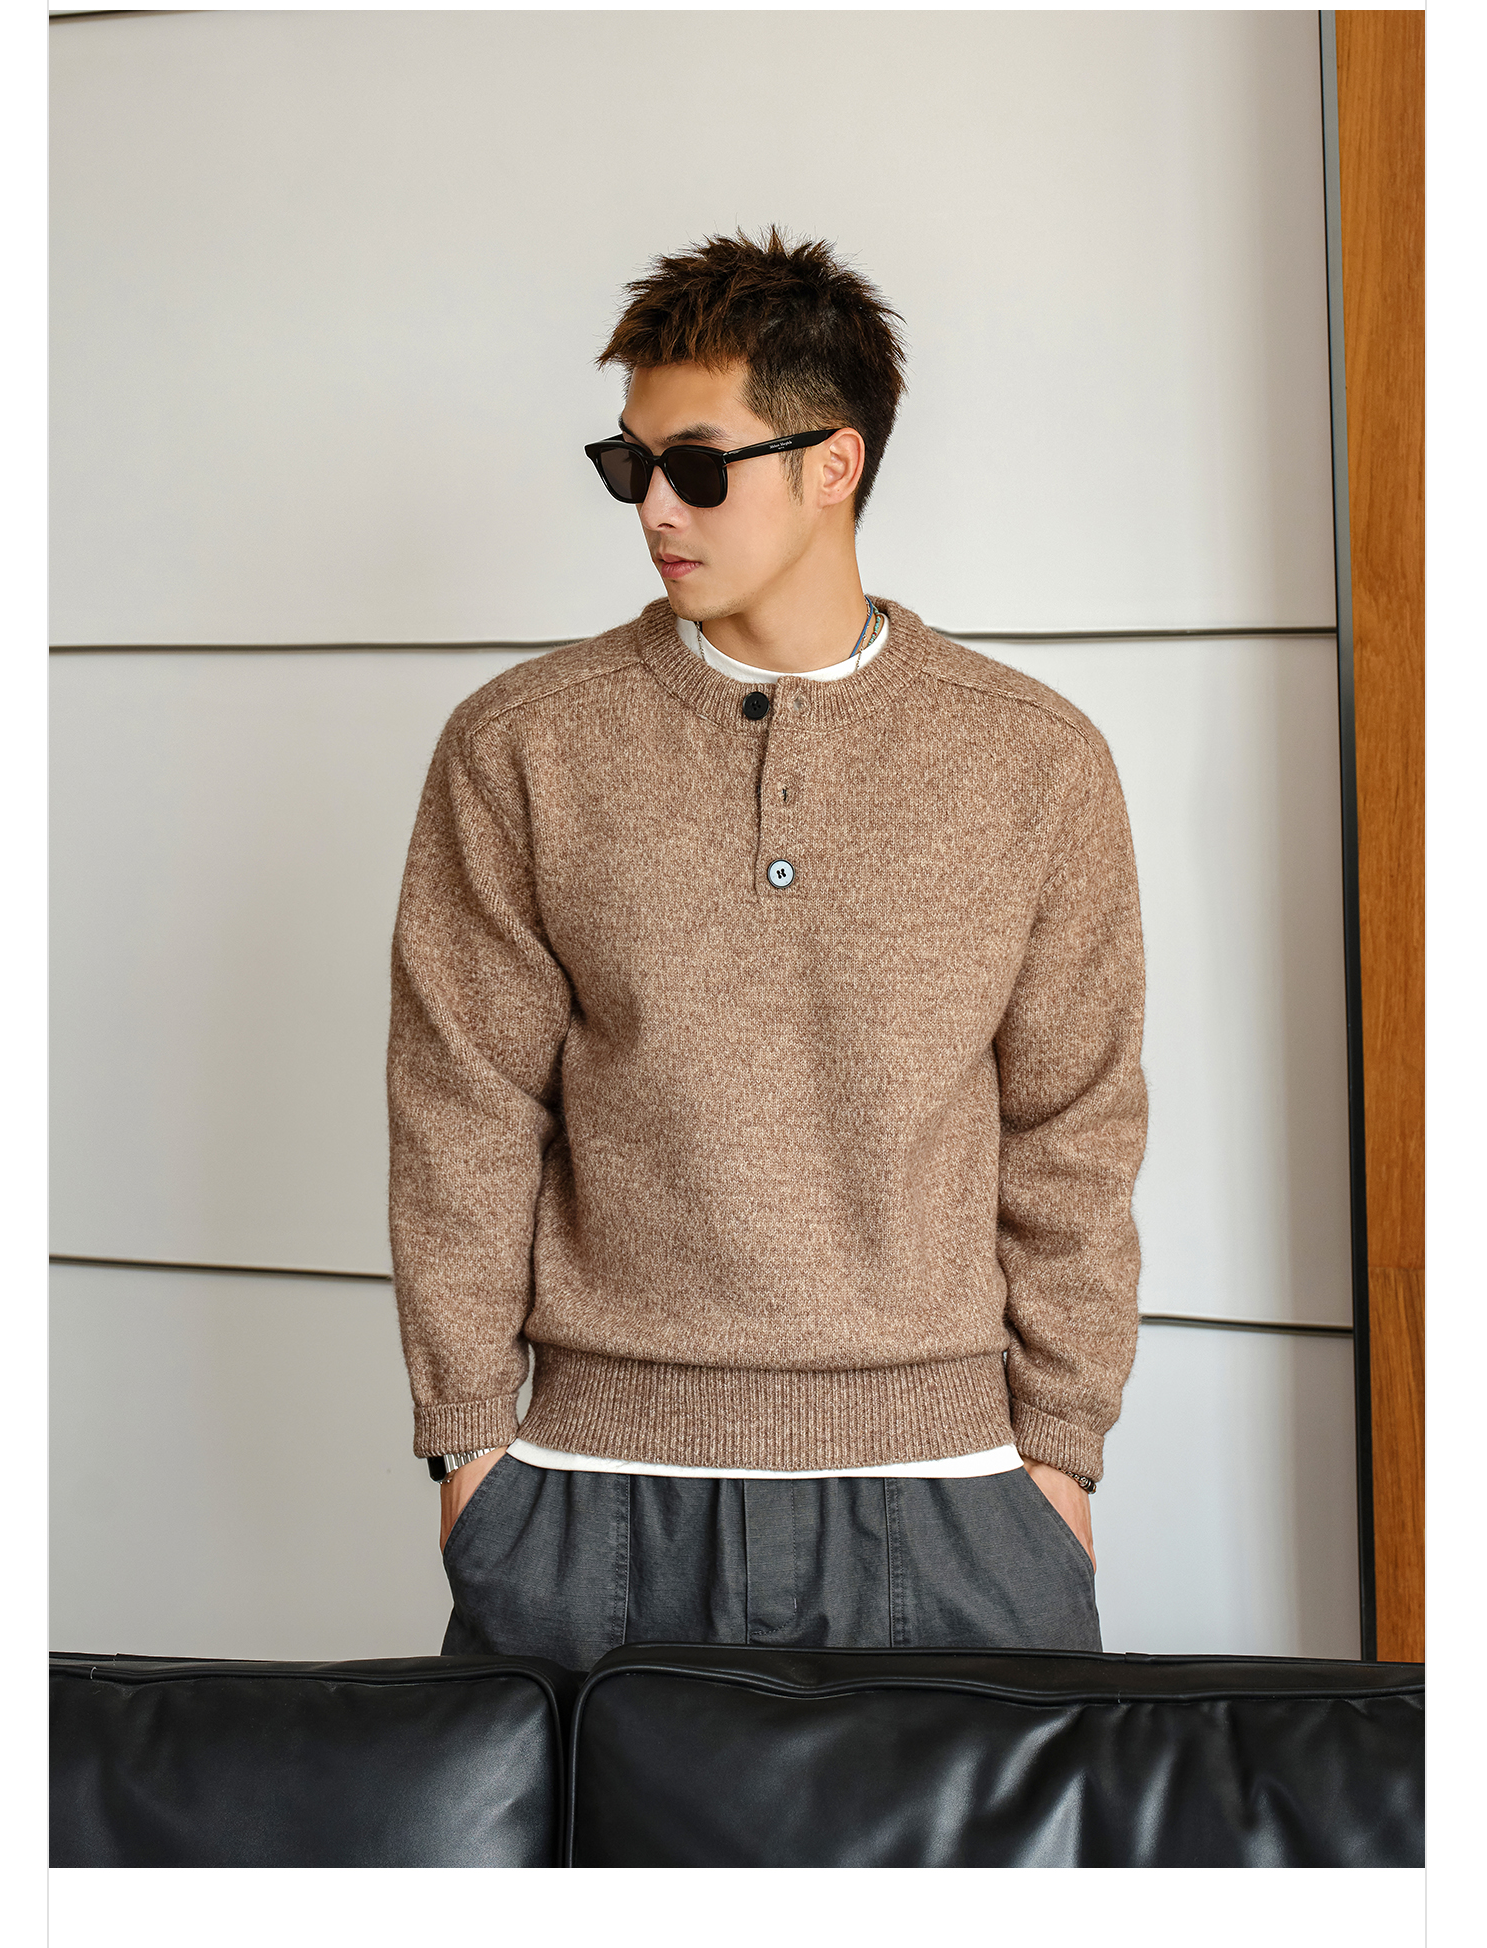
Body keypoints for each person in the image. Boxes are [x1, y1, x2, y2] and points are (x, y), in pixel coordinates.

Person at [387, 228, 1148, 1673]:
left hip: (955, 1501)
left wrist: (1060, 1453)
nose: (651, 507)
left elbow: (1075, 1124)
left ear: (833, 464)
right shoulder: (523, 746)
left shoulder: (1034, 762)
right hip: (591, 1498)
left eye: (694, 466)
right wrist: (468, 1447)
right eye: (629, 465)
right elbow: (461, 1113)